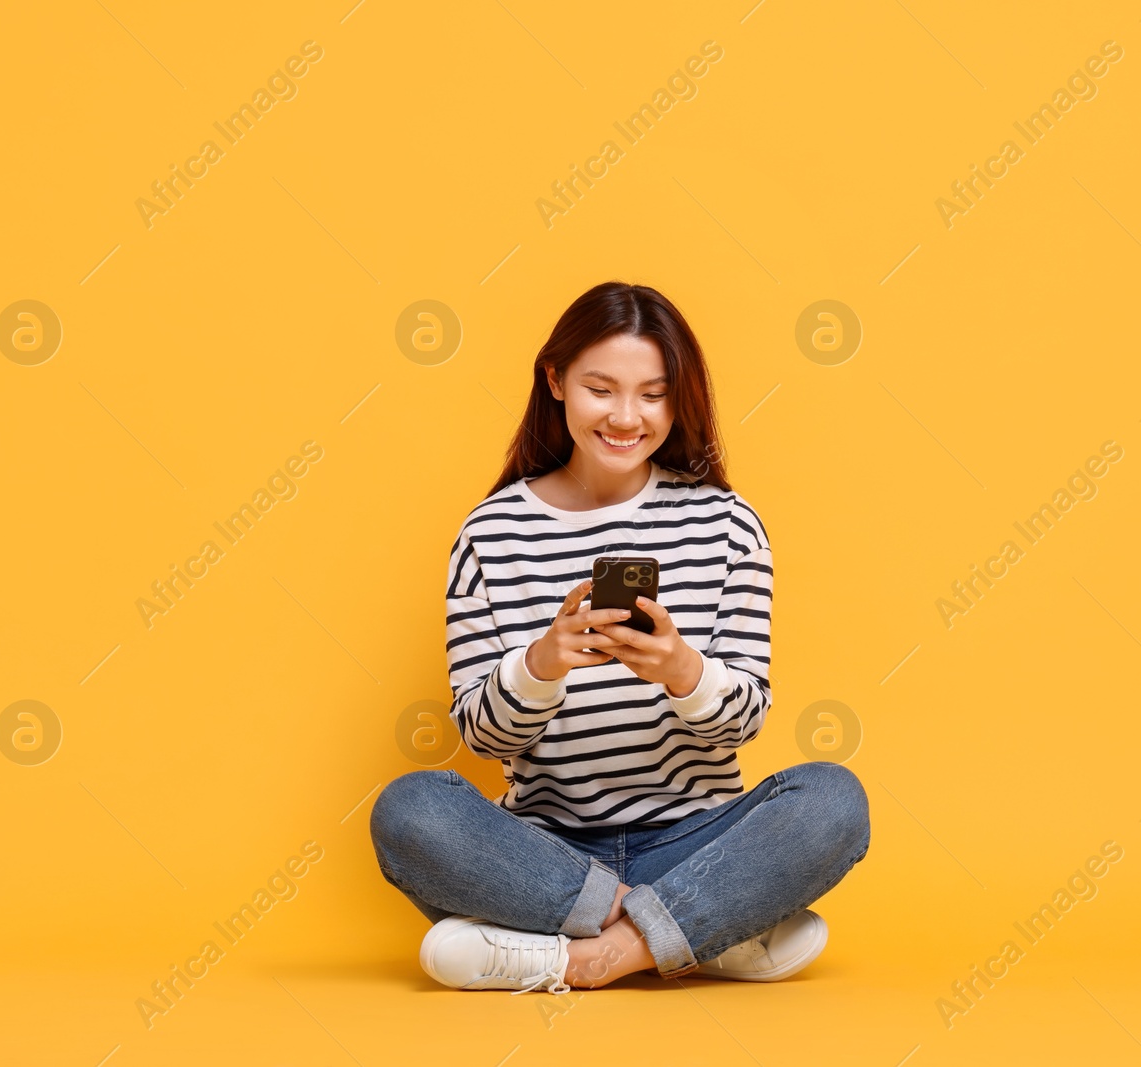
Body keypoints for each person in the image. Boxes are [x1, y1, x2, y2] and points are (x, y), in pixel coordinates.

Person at [370, 281, 871, 994]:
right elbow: (484, 737)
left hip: (696, 841)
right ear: (556, 380)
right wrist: (540, 665)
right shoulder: (489, 534)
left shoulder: (729, 525)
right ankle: (699, 935)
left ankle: (576, 958)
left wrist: (683, 669)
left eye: (653, 394)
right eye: (601, 389)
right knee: (409, 808)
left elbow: (746, 718)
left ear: (679, 398)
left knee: (833, 799)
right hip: (546, 853)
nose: (626, 417)